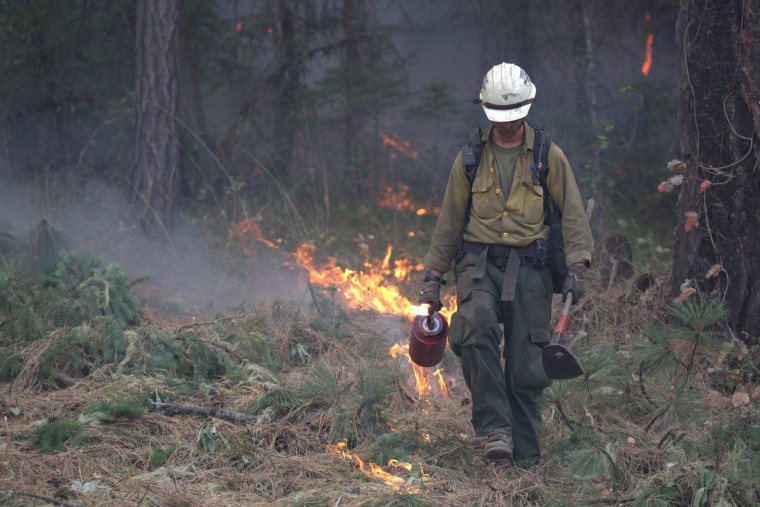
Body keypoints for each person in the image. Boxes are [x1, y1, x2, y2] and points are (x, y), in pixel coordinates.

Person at [418, 62, 593, 467]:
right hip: (478, 266)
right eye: (501, 117)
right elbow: (449, 220)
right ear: (486, 109)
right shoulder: (470, 157)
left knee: (527, 367)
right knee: (474, 329)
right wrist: (432, 277)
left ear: (527, 107)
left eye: (515, 118)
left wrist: (578, 266)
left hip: (532, 270)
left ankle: (527, 463)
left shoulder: (549, 155)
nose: (509, 126)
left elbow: (573, 213)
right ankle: (495, 431)